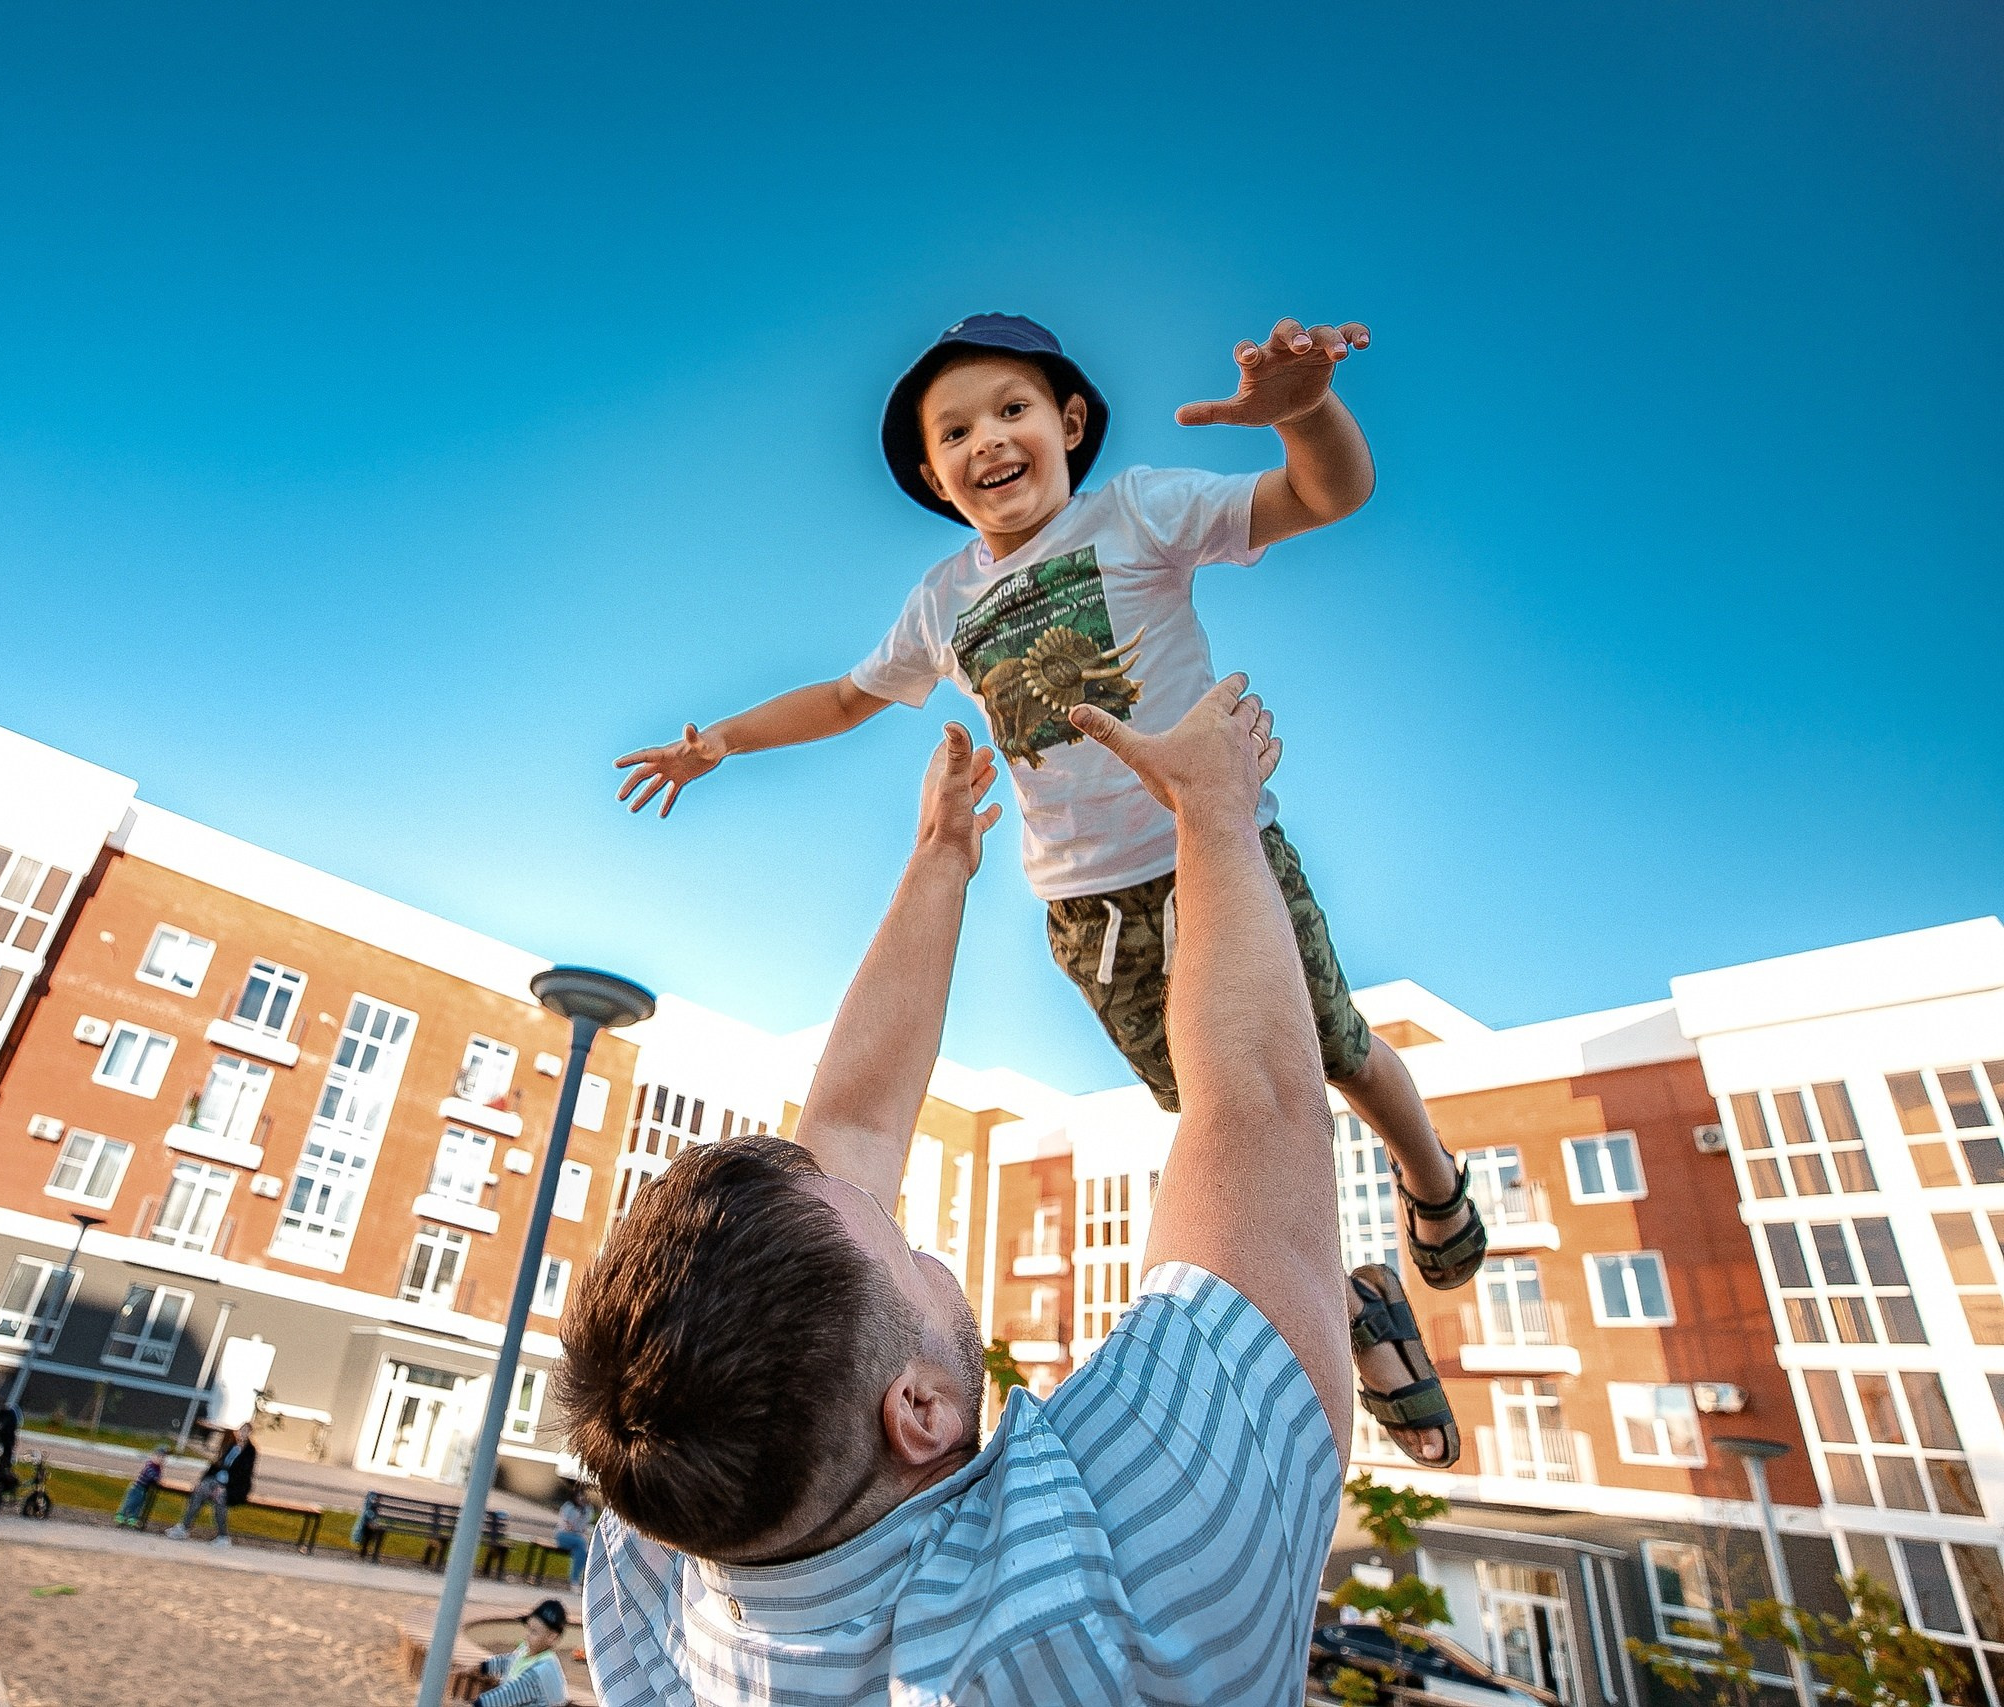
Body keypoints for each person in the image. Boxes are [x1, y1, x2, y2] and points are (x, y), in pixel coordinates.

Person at [612, 314, 1484, 1456]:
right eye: (955, 430)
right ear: (932, 473)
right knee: (1224, 1123)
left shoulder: (1139, 513)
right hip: (1090, 913)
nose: (988, 441)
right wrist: (718, 740)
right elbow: (844, 699)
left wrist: (1306, 415)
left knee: (1326, 1051)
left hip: (1217, 850)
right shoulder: (941, 602)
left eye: (1011, 411)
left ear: (1067, 423)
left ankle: (1432, 1183)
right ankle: (1357, 1295)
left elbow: (1323, 499)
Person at [563, 692, 1457, 1703]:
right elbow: (1258, 1105)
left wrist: (940, 857)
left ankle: (1346, 1311)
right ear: (918, 1408)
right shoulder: (1117, 1584)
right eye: (896, 1243)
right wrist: (1212, 808)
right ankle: (1348, 1309)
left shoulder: (668, 1550)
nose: (876, 1194)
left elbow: (848, 1136)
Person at [453, 1599, 571, 1705]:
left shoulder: (544, 1670)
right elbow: (509, 1661)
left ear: (552, 1637)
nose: (528, 1636)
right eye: (528, 1629)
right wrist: (483, 1667)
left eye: (534, 1632)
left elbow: (504, 1697)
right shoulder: (527, 1651)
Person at [168, 1421, 253, 1547]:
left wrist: (223, 1487)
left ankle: (223, 1536)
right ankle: (184, 1528)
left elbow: (242, 1473)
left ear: (249, 1433)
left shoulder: (250, 1451)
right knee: (200, 1491)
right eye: (241, 1430)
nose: (242, 1433)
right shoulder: (232, 1446)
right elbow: (218, 1464)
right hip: (217, 1481)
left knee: (220, 1498)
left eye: (245, 1431)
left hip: (233, 1487)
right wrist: (202, 1480)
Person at [115, 1445, 166, 1530]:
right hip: (137, 1487)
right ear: (153, 1456)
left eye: (163, 1457)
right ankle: (121, 1515)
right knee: (130, 1502)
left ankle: (132, 1518)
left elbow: (158, 1476)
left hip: (143, 1489)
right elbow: (152, 1475)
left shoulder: (158, 1467)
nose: (161, 1459)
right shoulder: (150, 1465)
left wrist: (159, 1476)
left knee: (139, 1504)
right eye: (159, 1456)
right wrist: (157, 1479)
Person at [552, 1485, 592, 1588]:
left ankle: (574, 1580)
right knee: (581, 1542)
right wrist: (577, 1519)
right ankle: (578, 1577)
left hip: (577, 1538)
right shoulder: (568, 1507)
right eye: (579, 1496)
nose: (581, 1499)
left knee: (580, 1551)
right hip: (563, 1535)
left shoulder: (587, 1510)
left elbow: (584, 1527)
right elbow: (567, 1525)